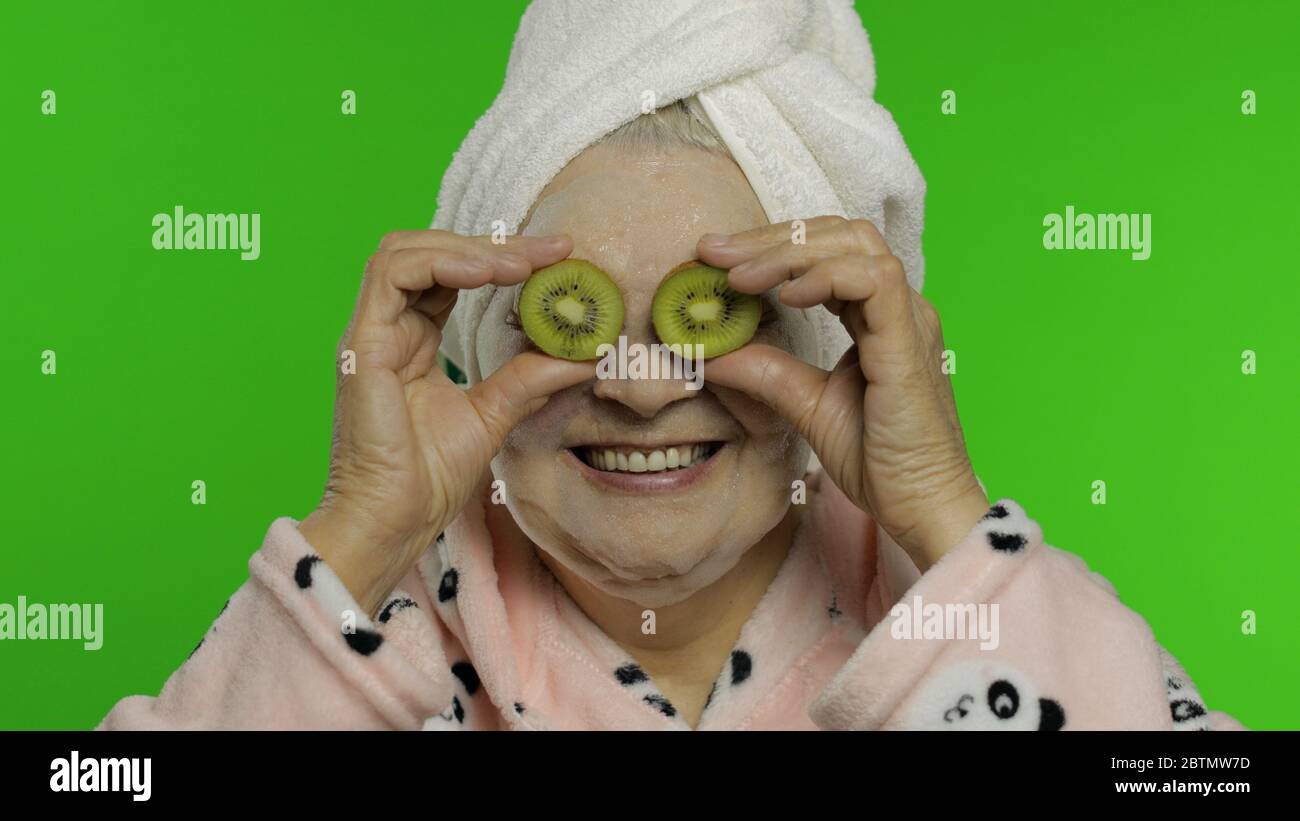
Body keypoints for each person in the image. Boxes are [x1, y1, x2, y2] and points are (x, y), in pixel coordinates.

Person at [99, 0, 1241, 731]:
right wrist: (354, 530)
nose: (643, 381)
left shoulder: (954, 607)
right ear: (475, 341)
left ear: (837, 346)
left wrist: (945, 519)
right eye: (572, 316)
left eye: (719, 308)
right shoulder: (368, 629)